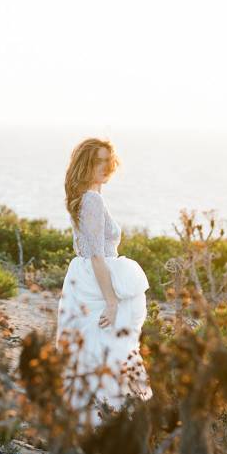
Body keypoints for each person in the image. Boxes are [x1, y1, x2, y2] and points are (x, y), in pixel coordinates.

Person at [55, 137, 153, 429]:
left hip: (85, 276)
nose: (106, 167)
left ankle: (98, 420)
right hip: (97, 281)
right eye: (99, 161)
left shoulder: (87, 195)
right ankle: (113, 421)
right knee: (111, 347)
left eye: (109, 161)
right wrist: (111, 301)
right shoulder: (92, 199)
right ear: (87, 163)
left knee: (99, 350)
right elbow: (97, 254)